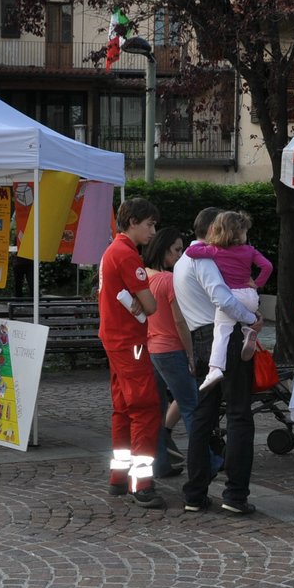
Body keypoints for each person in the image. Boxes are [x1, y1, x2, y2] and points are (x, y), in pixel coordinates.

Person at [174, 206, 262, 515]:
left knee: (203, 416)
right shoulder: (206, 260)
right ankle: (235, 495)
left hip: (201, 337)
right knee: (239, 414)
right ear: (216, 230)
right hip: (224, 336)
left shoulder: (184, 260)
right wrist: (252, 317)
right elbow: (223, 299)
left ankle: (194, 493)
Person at [98, 198, 164, 507]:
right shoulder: (127, 255)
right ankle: (142, 483)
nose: (153, 231)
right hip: (130, 341)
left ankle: (119, 478)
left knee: (123, 408)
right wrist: (145, 300)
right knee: (145, 408)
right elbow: (150, 305)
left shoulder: (113, 251)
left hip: (116, 339)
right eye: (149, 224)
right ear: (133, 222)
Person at [187, 211, 273, 391]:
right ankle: (248, 331)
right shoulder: (250, 251)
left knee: (221, 332)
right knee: (239, 320)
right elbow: (267, 266)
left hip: (232, 295)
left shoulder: (215, 250)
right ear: (240, 233)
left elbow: (190, 251)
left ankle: (215, 369)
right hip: (250, 296)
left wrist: (211, 243)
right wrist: (257, 284)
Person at [143, 228, 198, 479]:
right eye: (176, 250)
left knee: (157, 410)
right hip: (171, 348)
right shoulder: (167, 280)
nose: (180, 255)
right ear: (163, 249)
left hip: (151, 348)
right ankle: (207, 461)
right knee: (191, 408)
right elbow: (179, 322)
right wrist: (190, 353)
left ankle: (160, 464)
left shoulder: (145, 277)